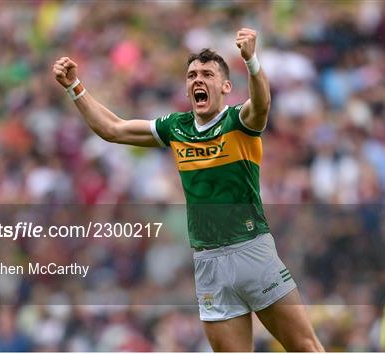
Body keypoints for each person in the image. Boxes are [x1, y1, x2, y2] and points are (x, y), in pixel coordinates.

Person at [52, 28, 323, 352]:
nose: (198, 79)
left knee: (305, 347)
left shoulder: (239, 121)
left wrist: (250, 60)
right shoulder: (176, 127)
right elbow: (113, 129)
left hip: (252, 252)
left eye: (208, 74)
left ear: (225, 86)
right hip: (208, 261)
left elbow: (262, 103)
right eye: (192, 74)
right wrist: (74, 88)